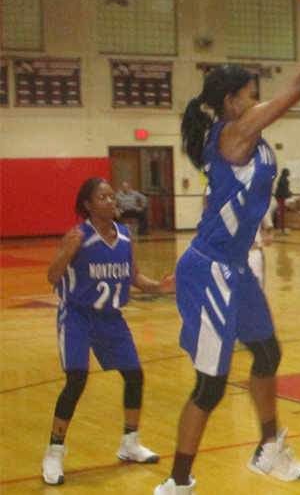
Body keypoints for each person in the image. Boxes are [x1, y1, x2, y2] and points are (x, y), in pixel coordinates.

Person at [155, 7, 300, 495]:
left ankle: (268, 448)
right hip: (210, 268)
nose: (261, 102)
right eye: (254, 95)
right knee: (210, 387)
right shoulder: (233, 135)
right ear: (232, 103)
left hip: (235, 268)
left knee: (267, 353)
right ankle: (177, 483)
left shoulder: (247, 136)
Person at [42, 178, 174, 485]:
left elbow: (134, 275)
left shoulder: (126, 236)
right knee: (76, 380)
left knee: (134, 376)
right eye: (103, 197)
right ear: (87, 205)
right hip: (77, 314)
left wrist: (159, 287)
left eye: (112, 196)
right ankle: (54, 452)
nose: (111, 201)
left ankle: (129, 444)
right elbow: (52, 276)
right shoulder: (78, 236)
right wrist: (66, 252)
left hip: (111, 318)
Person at [275, 168, 292, 235]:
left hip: (280, 197)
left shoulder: (282, 179)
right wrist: (288, 194)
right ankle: (282, 229)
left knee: (282, 213)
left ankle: (282, 229)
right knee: (282, 213)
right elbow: (284, 190)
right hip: (281, 198)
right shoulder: (284, 180)